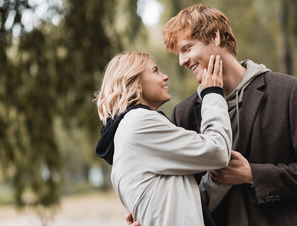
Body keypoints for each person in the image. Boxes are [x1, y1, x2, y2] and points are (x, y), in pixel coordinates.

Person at [160, 4, 297, 226]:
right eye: (178, 54)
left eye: (187, 48)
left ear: (215, 36)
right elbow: (176, 188)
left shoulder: (287, 91)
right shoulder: (183, 113)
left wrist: (251, 174)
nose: (182, 61)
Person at [94, 51, 233, 225]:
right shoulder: (139, 123)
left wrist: (227, 178)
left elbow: (187, 203)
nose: (165, 76)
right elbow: (218, 151)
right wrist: (212, 93)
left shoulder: (124, 136)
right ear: (135, 84)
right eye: (155, 71)